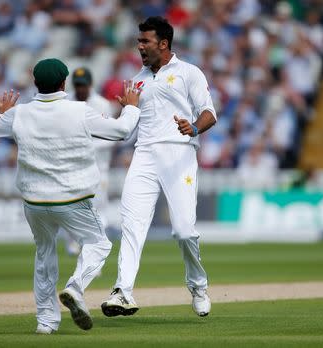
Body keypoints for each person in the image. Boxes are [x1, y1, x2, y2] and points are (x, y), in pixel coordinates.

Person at [0, 58, 141, 334]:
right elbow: (122, 131)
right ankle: (75, 287)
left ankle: (46, 321)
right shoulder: (80, 110)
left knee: (44, 255)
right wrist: (131, 108)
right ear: (63, 83)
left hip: (34, 202)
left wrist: (3, 114)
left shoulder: (20, 113)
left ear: (35, 84)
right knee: (99, 244)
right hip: (73, 198)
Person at [101, 17, 217, 318]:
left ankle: (198, 285)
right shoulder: (136, 81)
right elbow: (127, 130)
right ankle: (122, 291)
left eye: (145, 42)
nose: (139, 47)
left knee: (183, 231)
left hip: (179, 152)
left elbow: (210, 113)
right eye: (139, 41)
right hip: (144, 154)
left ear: (163, 43)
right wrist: (125, 108)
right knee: (132, 224)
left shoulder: (188, 72)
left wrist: (192, 127)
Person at [62, 67, 115, 256]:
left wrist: (87, 146)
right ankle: (73, 241)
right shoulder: (66, 102)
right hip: (73, 166)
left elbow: (110, 137)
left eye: (83, 85)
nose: (80, 89)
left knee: (98, 208)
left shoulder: (102, 104)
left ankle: (95, 250)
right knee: (70, 205)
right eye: (77, 86)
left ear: (90, 85)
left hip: (98, 167)